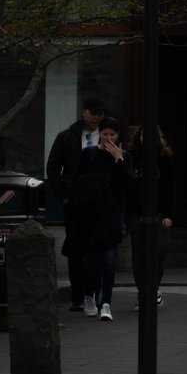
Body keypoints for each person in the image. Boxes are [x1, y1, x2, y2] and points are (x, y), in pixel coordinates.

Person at [46, 95, 108, 313]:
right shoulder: (67, 137)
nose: (97, 118)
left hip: (99, 201)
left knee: (98, 246)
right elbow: (53, 168)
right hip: (74, 201)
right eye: (93, 113)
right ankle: (78, 294)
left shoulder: (106, 136)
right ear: (84, 112)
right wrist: (63, 196)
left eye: (100, 114)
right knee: (76, 248)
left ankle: (95, 292)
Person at [69, 117, 134, 320]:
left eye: (112, 135)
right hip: (91, 213)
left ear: (118, 136)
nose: (108, 138)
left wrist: (118, 158)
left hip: (114, 212)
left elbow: (129, 184)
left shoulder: (124, 157)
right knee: (91, 260)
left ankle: (106, 302)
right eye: (104, 134)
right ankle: (89, 295)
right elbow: (76, 183)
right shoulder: (88, 154)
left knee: (109, 260)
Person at [127, 122, 174, 311]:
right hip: (136, 212)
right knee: (139, 254)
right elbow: (127, 186)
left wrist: (169, 213)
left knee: (159, 251)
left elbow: (170, 187)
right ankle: (143, 293)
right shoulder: (131, 156)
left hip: (159, 211)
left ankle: (153, 288)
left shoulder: (164, 158)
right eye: (143, 136)